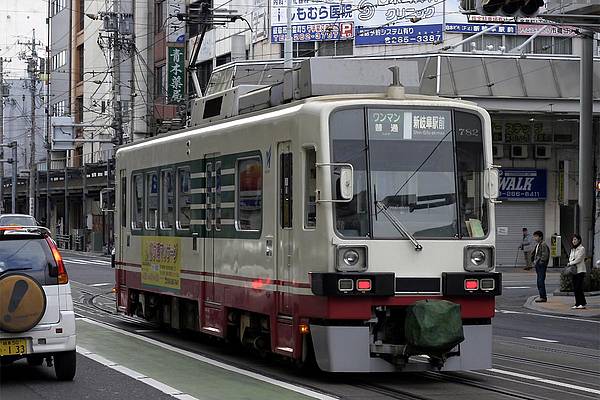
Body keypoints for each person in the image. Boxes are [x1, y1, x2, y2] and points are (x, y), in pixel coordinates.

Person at [567, 234, 587, 309]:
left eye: (575, 239)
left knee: (579, 287)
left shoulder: (582, 249)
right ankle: (577, 303)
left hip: (580, 270)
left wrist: (570, 263)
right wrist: (570, 262)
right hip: (574, 271)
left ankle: (582, 303)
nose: (574, 241)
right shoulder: (573, 249)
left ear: (579, 240)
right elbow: (570, 257)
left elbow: (579, 259)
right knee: (575, 288)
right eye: (573, 240)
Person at [532, 230, 550, 303]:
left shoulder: (543, 244)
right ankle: (542, 296)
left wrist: (541, 262)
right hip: (538, 265)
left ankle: (543, 297)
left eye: (536, 236)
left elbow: (545, 255)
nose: (535, 238)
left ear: (540, 237)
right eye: (534, 236)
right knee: (539, 281)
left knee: (540, 281)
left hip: (541, 266)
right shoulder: (538, 244)